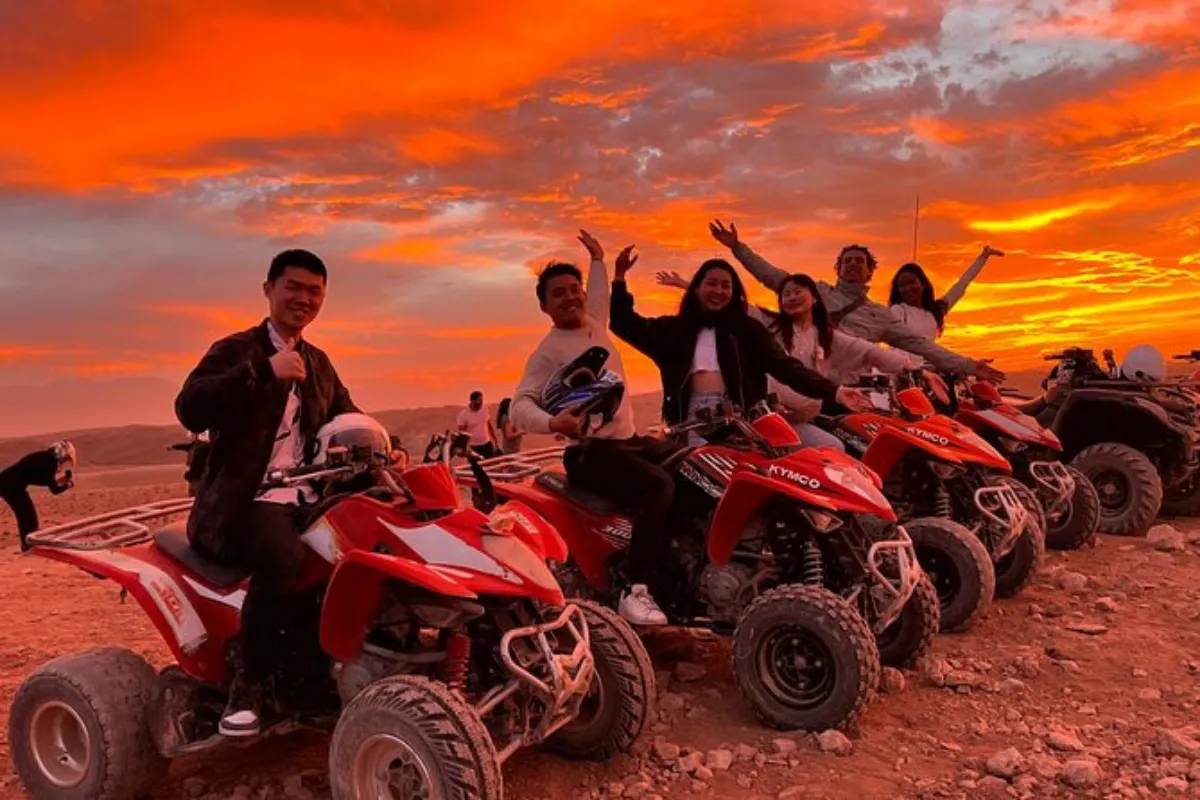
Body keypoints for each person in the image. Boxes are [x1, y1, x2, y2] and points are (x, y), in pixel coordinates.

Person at [175, 248, 358, 738]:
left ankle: (316, 678)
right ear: (269, 290)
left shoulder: (317, 363)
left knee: (355, 548)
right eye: (293, 287)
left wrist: (391, 448)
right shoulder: (236, 350)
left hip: (303, 498)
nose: (303, 298)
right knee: (283, 558)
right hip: (239, 503)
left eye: (313, 291)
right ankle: (247, 688)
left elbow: (348, 415)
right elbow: (190, 407)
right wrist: (262, 371)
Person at [511, 230, 677, 626]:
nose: (571, 297)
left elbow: (599, 297)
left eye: (575, 289)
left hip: (630, 442)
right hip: (591, 453)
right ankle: (637, 592)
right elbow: (519, 406)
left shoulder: (595, 327)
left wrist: (601, 261)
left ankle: (682, 574)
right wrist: (554, 422)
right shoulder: (547, 351)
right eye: (559, 293)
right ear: (544, 306)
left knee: (693, 464)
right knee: (658, 486)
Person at [609, 253, 872, 442]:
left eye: (726, 286)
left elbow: (787, 369)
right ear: (697, 288)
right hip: (691, 424)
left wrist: (834, 392)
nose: (719, 290)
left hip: (744, 423)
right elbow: (624, 324)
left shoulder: (747, 330)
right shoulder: (672, 330)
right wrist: (619, 280)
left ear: (734, 294)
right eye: (711, 283)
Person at [708, 220, 1006, 384]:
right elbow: (772, 276)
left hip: (850, 388)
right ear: (837, 268)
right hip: (801, 380)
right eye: (847, 261)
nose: (852, 265)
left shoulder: (880, 315)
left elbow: (922, 345)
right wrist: (737, 247)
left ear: (870, 271)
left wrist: (967, 365)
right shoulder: (815, 292)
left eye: (859, 262)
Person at [655, 269, 912, 449]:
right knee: (831, 447)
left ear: (814, 297)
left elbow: (868, 350)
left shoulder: (826, 336)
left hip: (802, 420)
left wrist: (910, 368)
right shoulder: (770, 326)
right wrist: (689, 285)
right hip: (767, 419)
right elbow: (737, 305)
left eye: (797, 291)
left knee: (846, 443)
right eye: (785, 294)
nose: (790, 297)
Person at [888, 247, 1004, 342]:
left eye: (911, 282)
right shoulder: (898, 310)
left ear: (923, 284)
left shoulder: (935, 310)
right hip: (898, 368)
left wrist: (982, 257)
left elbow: (962, 284)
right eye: (902, 285)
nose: (907, 288)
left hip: (925, 366)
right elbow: (896, 342)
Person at [0, 440, 76, 550]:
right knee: (27, 516)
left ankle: (28, 545)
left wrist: (61, 482)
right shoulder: (50, 463)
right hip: (10, 485)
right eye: (65, 459)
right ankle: (28, 546)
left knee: (28, 516)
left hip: (9, 483)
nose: (64, 462)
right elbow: (55, 490)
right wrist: (68, 485)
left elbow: (46, 481)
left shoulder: (46, 458)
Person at [457, 391, 500, 459]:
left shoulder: (484, 409)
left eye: (481, 400)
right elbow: (462, 433)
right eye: (478, 400)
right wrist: (464, 448)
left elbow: (489, 425)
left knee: (491, 463)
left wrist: (495, 441)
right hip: (473, 446)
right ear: (472, 401)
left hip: (487, 443)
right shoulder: (463, 414)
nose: (480, 402)